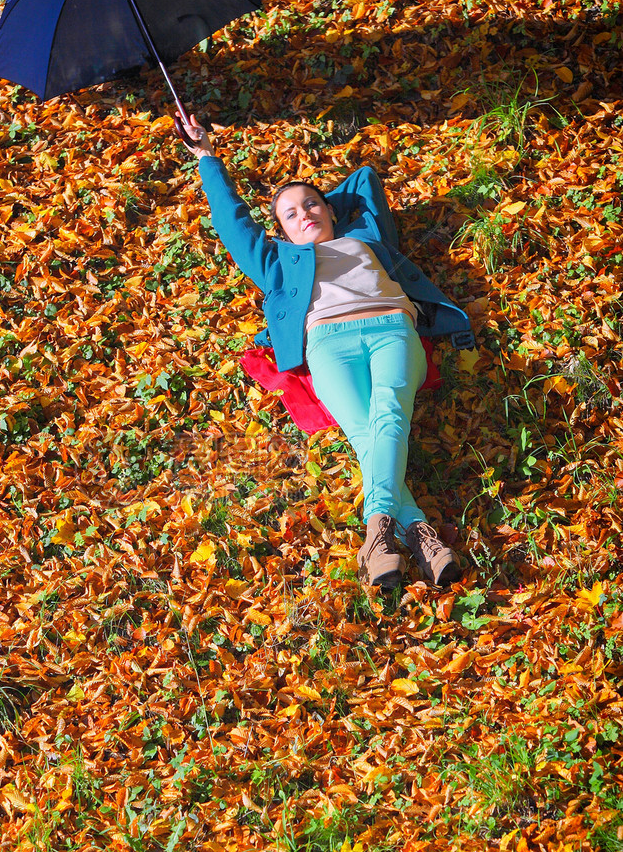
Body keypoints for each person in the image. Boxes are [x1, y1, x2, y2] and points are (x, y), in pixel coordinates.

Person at [178, 113, 474, 590]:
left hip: (391, 330)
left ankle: (377, 533)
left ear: (333, 210)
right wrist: (206, 156)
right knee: (367, 434)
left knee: (389, 416)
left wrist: (321, 212)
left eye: (312, 205)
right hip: (328, 345)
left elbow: (364, 180)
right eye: (290, 215)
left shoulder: (368, 239)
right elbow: (233, 225)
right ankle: (419, 534)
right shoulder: (277, 261)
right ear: (280, 232)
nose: (305, 215)